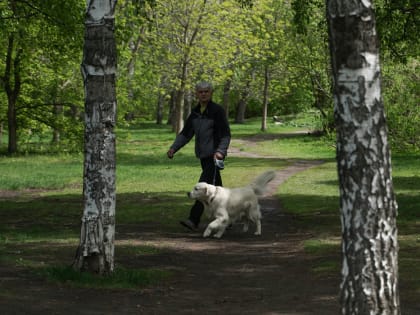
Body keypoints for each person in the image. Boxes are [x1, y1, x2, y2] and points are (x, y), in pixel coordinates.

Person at [167, 81, 231, 231]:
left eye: (206, 91)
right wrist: (173, 148)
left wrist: (221, 151)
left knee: (202, 187)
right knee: (217, 189)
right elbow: (186, 134)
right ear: (196, 94)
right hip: (203, 157)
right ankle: (228, 218)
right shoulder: (195, 113)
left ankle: (193, 219)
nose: (203, 94)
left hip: (214, 157)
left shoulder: (217, 111)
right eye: (200, 92)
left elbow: (226, 134)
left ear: (211, 93)